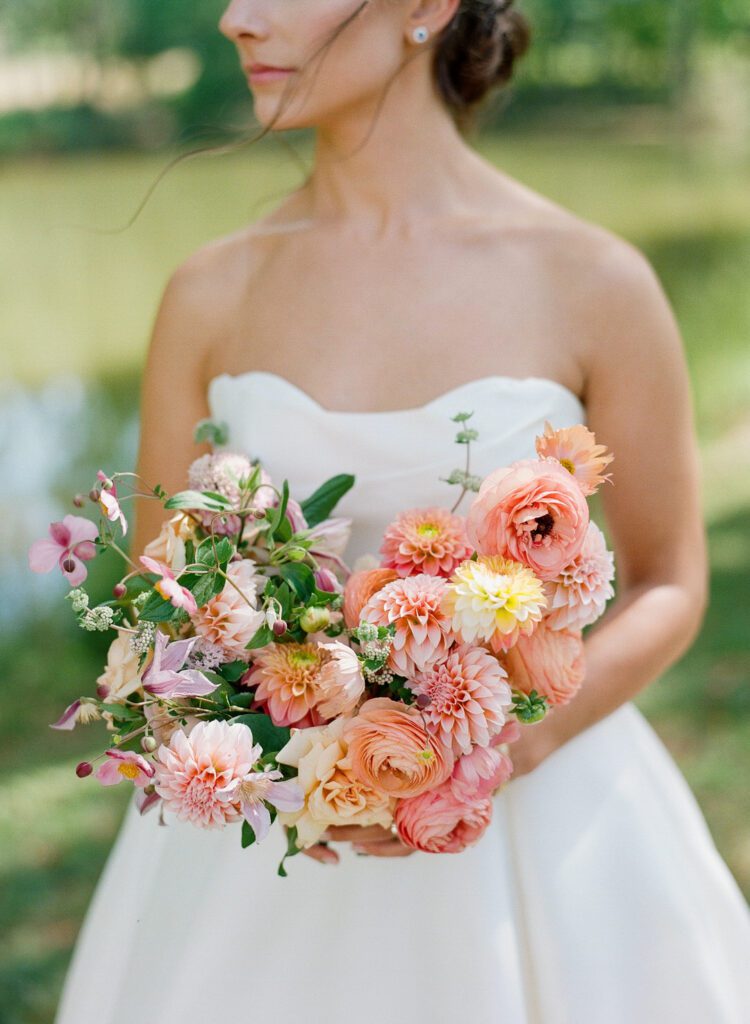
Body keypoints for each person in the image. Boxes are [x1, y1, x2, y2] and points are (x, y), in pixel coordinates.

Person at [55, 0, 750, 1021]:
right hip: (276, 851)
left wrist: (507, 744)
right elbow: (164, 601)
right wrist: (268, 706)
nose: (234, 19)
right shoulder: (209, 293)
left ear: (426, 7)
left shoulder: (595, 280)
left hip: (545, 834)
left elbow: (670, 581)